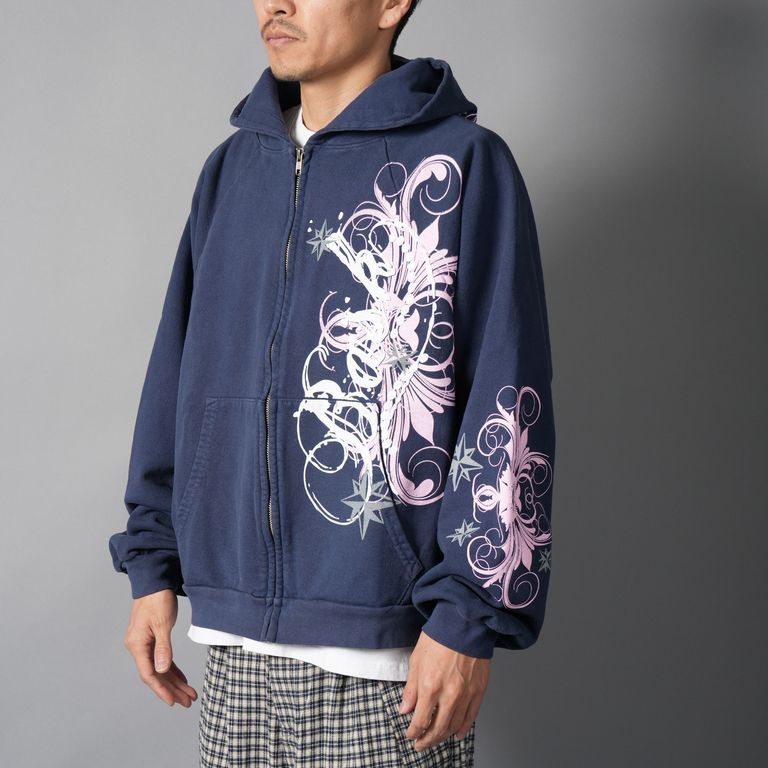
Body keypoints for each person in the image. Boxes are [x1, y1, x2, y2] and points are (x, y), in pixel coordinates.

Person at [108, 1, 556, 765]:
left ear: (391, 4)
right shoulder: (230, 171)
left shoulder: (463, 166)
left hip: (389, 663)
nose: (275, 4)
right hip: (235, 653)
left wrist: (468, 618)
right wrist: (153, 564)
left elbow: (508, 398)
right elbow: (177, 376)